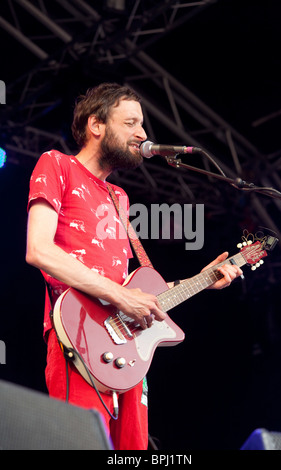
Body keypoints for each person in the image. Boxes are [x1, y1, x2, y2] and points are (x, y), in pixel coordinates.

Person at [26, 82, 242, 450]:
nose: (142, 133)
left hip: (125, 346)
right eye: (130, 123)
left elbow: (135, 289)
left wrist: (202, 281)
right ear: (97, 125)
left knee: (132, 450)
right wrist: (122, 296)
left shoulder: (119, 197)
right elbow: (38, 250)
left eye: (141, 125)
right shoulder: (57, 164)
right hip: (77, 335)